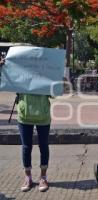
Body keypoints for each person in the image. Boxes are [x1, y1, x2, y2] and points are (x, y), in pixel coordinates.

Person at [0, 58, 51, 192]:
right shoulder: (19, 75)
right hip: (24, 115)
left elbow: (55, 92)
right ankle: (28, 177)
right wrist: (3, 68)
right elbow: (5, 83)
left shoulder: (46, 75)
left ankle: (43, 176)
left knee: (43, 146)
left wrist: (57, 76)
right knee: (26, 147)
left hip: (43, 116)